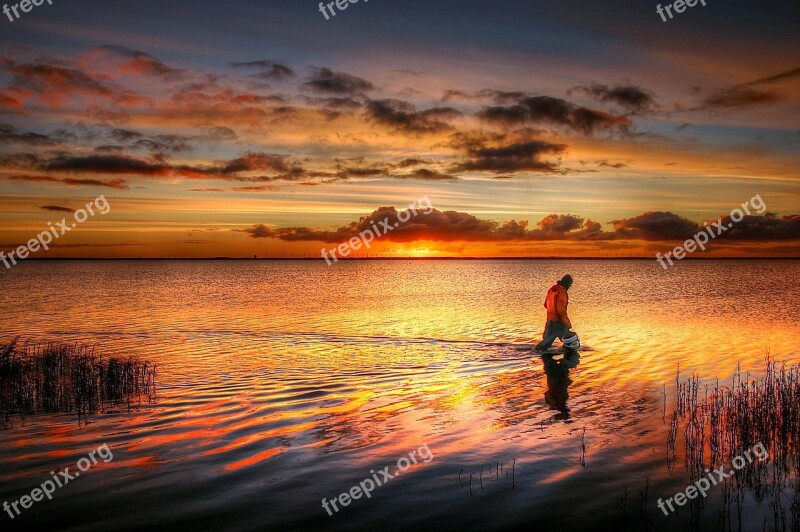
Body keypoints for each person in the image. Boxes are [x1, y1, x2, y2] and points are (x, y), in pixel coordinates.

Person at [535, 274, 576, 352]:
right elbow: (561, 311)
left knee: (545, 343)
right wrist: (568, 324)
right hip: (558, 321)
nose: (570, 286)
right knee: (570, 341)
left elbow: (545, 305)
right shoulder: (562, 293)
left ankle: (537, 353)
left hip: (550, 319)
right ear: (568, 284)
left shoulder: (552, 290)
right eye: (570, 285)